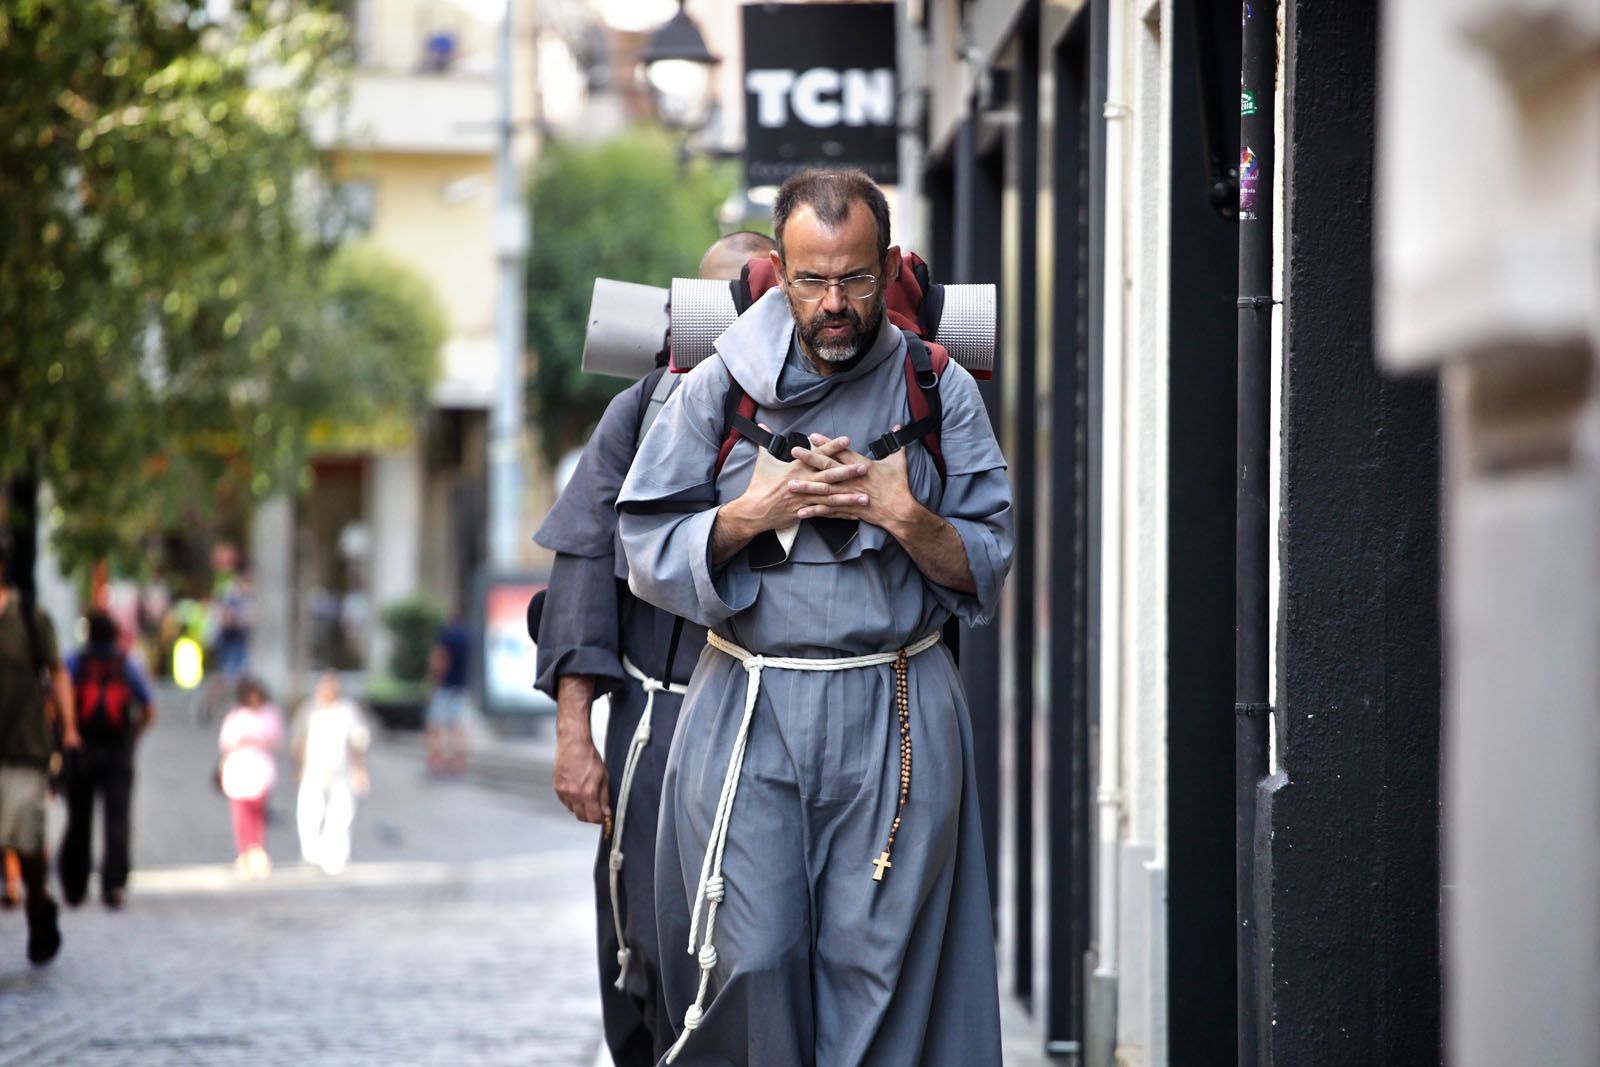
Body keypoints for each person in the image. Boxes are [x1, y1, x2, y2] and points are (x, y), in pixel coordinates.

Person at [618, 171, 1013, 1065]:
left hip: (898, 708)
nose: (836, 304)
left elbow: (990, 560)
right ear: (778, 270)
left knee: (877, 978)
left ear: (887, 264)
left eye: (857, 279)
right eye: (811, 280)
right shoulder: (718, 386)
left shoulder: (936, 386)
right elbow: (641, 545)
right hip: (747, 712)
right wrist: (755, 512)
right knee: (750, 960)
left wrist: (900, 512)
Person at [534, 230, 778, 1066]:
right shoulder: (638, 409)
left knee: (767, 954)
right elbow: (579, 571)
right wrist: (575, 737)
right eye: (705, 305)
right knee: (643, 938)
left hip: (781, 723)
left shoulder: (818, 407)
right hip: (660, 723)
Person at [0, 540, 79, 963]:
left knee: (25, 840)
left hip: (26, 748)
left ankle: (38, 902)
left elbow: (58, 673)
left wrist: (69, 730)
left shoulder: (29, 618)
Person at [58, 610, 157, 910]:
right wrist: (133, 736)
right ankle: (113, 885)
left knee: (78, 819)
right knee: (117, 820)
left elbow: (55, 696)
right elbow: (149, 707)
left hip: (81, 749)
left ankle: (74, 886)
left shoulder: (75, 662)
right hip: (118, 751)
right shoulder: (126, 664)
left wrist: (68, 732)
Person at [291, 671, 370, 875]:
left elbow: (357, 742)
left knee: (341, 814)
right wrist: (297, 767)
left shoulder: (347, 711)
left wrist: (359, 770)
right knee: (310, 813)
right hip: (313, 770)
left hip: (340, 770)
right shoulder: (309, 709)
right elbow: (299, 740)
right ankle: (311, 854)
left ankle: (335, 856)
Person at [217, 677, 283, 878]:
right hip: (239, 768)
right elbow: (226, 742)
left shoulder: (270, 714)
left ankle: (257, 850)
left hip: (260, 768)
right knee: (241, 814)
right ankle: (244, 852)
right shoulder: (237, 716)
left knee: (257, 812)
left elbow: (277, 739)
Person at [424, 611, 472, 775]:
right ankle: (457, 761)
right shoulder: (467, 637)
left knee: (435, 724)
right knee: (457, 726)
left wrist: (432, 679)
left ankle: (436, 760)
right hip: (461, 686)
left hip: (445, 687)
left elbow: (440, 660)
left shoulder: (446, 636)